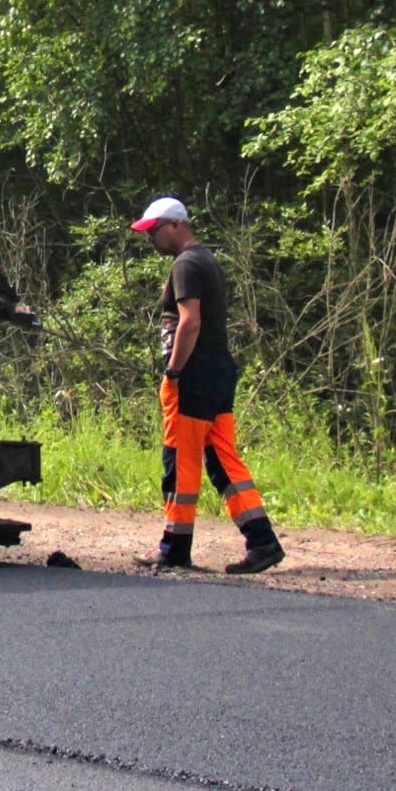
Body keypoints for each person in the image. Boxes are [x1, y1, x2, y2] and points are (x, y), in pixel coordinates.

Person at [130, 196, 283, 574]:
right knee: (223, 459)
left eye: (154, 231)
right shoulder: (207, 260)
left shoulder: (186, 264)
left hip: (194, 376)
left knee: (180, 461)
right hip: (219, 371)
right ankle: (262, 541)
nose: (151, 240)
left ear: (175, 225)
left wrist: (174, 372)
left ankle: (175, 548)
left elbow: (190, 322)